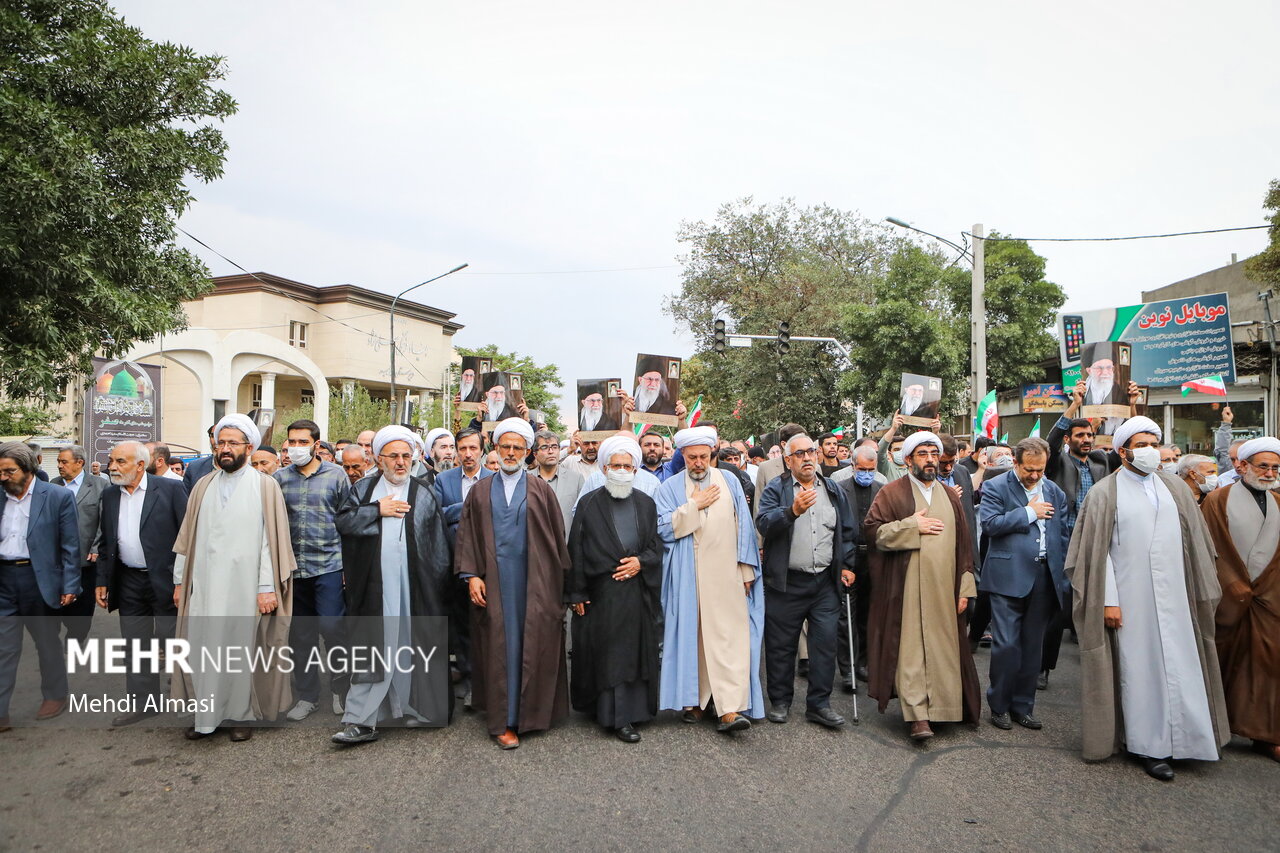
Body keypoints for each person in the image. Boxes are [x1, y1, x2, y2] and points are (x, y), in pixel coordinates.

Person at [1064, 416, 1229, 781]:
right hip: (1131, 599)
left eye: (1154, 443)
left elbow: (1195, 543)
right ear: (1122, 451)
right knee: (1142, 673)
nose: (1150, 451)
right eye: (1141, 445)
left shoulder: (1175, 488)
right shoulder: (1105, 492)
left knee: (1183, 665)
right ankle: (1149, 747)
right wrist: (1108, 600)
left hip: (1176, 597)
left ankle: (1189, 741)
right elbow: (1096, 555)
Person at [171, 414, 297, 742]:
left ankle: (241, 715)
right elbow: (187, 539)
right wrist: (180, 582)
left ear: (249, 447)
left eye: (232, 443)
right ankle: (206, 716)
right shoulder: (203, 485)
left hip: (247, 587)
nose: (225, 449)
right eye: (220, 442)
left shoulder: (265, 486)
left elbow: (272, 543)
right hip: (206, 586)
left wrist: (267, 587)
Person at [331, 425, 452, 745]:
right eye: (393, 456)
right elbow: (343, 522)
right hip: (373, 587)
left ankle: (416, 707)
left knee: (412, 644)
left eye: (405, 456)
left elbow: (438, 543)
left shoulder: (423, 491)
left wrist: (438, 587)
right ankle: (361, 719)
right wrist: (376, 510)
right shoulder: (363, 490)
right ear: (378, 458)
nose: (400, 462)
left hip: (415, 588)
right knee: (373, 646)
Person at [454, 418, 572, 749]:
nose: (510, 452)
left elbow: (556, 542)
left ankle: (530, 715)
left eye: (517, 447)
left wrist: (559, 586)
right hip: (494, 583)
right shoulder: (479, 491)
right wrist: (471, 575)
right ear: (495, 449)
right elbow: (466, 537)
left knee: (533, 644)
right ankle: (503, 720)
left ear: (527, 452)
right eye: (504, 446)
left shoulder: (541, 490)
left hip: (534, 584)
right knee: (499, 648)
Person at [864, 432, 979, 741]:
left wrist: (965, 587)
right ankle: (918, 717)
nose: (930, 459)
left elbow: (965, 545)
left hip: (945, 588)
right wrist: (912, 525)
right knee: (912, 651)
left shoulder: (950, 496)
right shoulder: (891, 493)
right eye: (922, 454)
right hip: (908, 588)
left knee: (944, 649)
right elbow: (874, 534)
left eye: (933, 453)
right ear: (909, 459)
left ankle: (943, 709)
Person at [655, 427, 763, 733]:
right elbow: (662, 529)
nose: (699, 462)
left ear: (711, 454)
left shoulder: (729, 480)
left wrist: (746, 569)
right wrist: (695, 505)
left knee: (729, 639)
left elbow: (744, 526)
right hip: (689, 576)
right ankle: (697, 701)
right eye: (692, 457)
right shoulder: (670, 488)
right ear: (683, 457)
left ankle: (729, 708)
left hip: (728, 574)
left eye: (704, 456)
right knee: (695, 637)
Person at [566, 436, 664, 742]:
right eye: (615, 465)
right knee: (610, 655)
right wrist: (577, 592)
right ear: (605, 468)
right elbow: (577, 548)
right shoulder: (589, 502)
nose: (621, 470)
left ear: (635, 470)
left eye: (627, 465)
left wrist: (639, 562)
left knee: (634, 654)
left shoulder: (647, 503)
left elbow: (655, 547)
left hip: (637, 593)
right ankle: (615, 716)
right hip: (602, 595)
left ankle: (634, 713)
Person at [756, 434, 855, 728]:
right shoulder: (777, 489)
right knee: (781, 646)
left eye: (811, 451)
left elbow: (848, 532)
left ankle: (819, 705)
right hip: (787, 583)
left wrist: (847, 565)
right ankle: (780, 701)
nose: (808, 457)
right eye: (800, 453)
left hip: (824, 582)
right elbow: (764, 524)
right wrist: (792, 512)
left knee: (824, 644)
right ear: (788, 460)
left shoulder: (832, 489)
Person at [978, 437, 1070, 732]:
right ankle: (1000, 705)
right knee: (1006, 646)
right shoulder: (996, 486)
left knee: (1033, 648)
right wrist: (1030, 512)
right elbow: (990, 524)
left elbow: (1063, 536)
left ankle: (1023, 707)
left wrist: (1063, 576)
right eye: (1028, 469)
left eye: (1039, 470)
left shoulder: (1054, 491)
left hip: (1044, 579)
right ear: (1015, 463)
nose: (1034, 475)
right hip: (1008, 577)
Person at [94, 441, 187, 725]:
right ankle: (144, 703)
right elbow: (106, 540)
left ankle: (190, 700)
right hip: (129, 579)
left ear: (140, 464)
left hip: (168, 580)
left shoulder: (170, 490)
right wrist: (102, 580)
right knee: (135, 643)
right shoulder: (110, 495)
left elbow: (188, 537)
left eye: (120, 461)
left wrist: (182, 582)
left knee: (177, 641)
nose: (112, 467)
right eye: (112, 461)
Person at [1200, 436, 1280, 764]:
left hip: (1269, 599)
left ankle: (1264, 735)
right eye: (1264, 466)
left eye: (1275, 467)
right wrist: (1230, 582)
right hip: (1227, 600)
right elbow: (1208, 547)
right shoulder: (1217, 500)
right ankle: (1211, 730)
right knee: (1220, 661)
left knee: (1268, 665)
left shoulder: (1279, 501)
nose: (1270, 473)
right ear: (1243, 465)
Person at [275, 419, 351, 721]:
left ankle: (340, 689)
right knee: (299, 634)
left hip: (330, 565)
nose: (295, 448)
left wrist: (349, 567)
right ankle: (307, 695)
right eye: (291, 442)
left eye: (302, 442)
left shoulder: (337, 476)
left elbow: (347, 520)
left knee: (333, 629)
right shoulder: (279, 478)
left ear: (316, 445)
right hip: (294, 569)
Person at [0, 442, 79, 731]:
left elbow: (70, 545)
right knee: (4, 648)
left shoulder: (57, 497)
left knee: (46, 644)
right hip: (4, 580)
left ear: (28, 469)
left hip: (39, 580)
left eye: (9, 471)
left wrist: (70, 583)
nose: (3, 477)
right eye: (0, 472)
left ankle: (55, 695)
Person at [1043, 407, 1110, 688]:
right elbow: (1052, 441)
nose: (1087, 439)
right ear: (1070, 438)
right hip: (1064, 540)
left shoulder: (1099, 463)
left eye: (1090, 435)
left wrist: (1132, 404)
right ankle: (1043, 666)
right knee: (1058, 608)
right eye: (1080, 435)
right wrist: (1074, 404)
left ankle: (1100, 665)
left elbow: (1127, 446)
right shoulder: (1057, 461)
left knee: (1097, 604)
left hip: (1094, 541)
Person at [435, 428, 494, 690]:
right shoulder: (443, 480)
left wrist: (458, 511)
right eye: (462, 449)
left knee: (487, 619)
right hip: (454, 559)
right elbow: (437, 513)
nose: (468, 454)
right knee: (459, 618)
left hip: (488, 561)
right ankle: (468, 676)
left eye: (473, 448)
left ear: (482, 450)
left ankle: (487, 676)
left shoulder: (495, 478)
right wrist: (473, 505)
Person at [837, 444, 882, 687]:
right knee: (846, 616)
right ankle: (847, 669)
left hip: (873, 559)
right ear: (853, 467)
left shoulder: (881, 489)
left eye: (871, 470)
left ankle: (863, 662)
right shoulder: (841, 489)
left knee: (867, 614)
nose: (866, 474)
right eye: (862, 469)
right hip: (848, 558)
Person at [52, 444, 105, 645]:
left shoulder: (99, 485)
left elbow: (104, 521)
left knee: (83, 604)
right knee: (59, 599)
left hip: (86, 557)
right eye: (58, 461)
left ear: (79, 463)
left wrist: (96, 547)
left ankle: (76, 636)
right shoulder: (53, 485)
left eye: (63, 462)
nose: (59, 466)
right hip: (58, 557)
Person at [531, 430, 582, 536]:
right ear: (535, 454)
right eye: (544, 447)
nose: (551, 451)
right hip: (535, 546)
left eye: (554, 447)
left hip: (566, 546)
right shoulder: (526, 479)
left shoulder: (576, 479)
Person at [181, 425, 218, 493]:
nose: (216, 441)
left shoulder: (242, 470)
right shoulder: (194, 468)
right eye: (213, 436)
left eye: (219, 435)